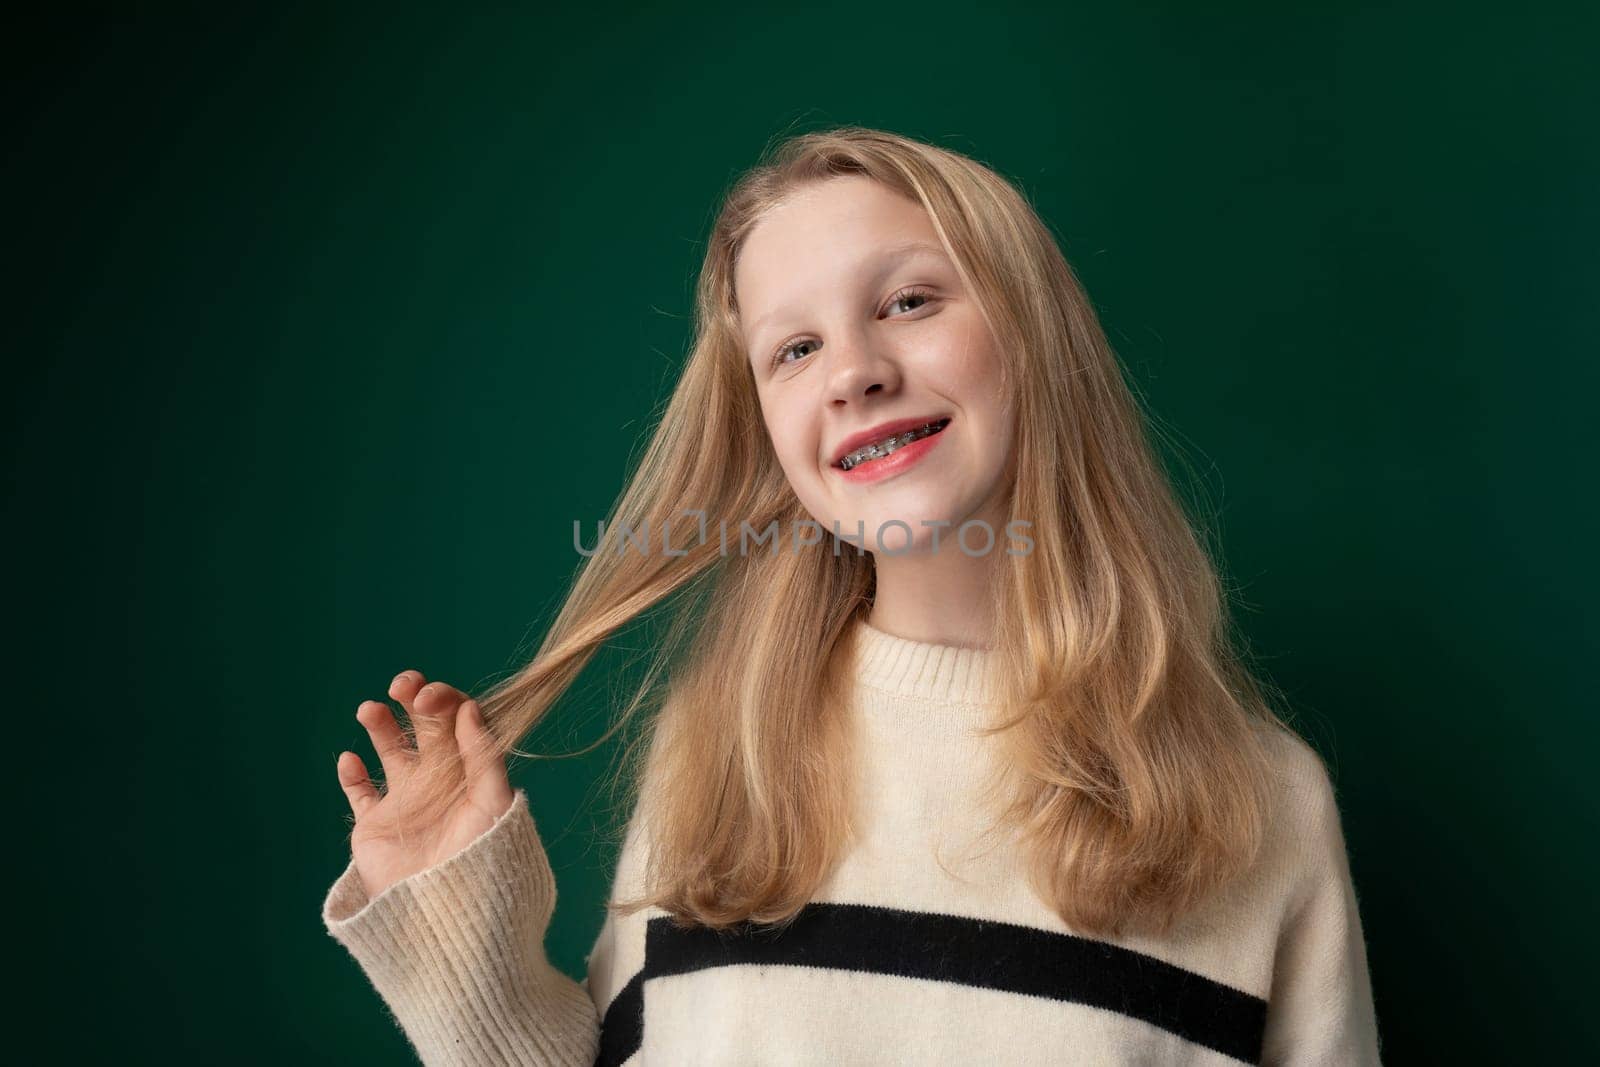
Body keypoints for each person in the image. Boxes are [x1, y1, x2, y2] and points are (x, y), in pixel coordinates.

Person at [322, 126, 1382, 1065]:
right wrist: (467, 952)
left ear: (1034, 333)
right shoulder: (718, 751)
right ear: (771, 426)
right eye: (793, 348)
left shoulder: (1266, 804)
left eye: (909, 300)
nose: (853, 371)